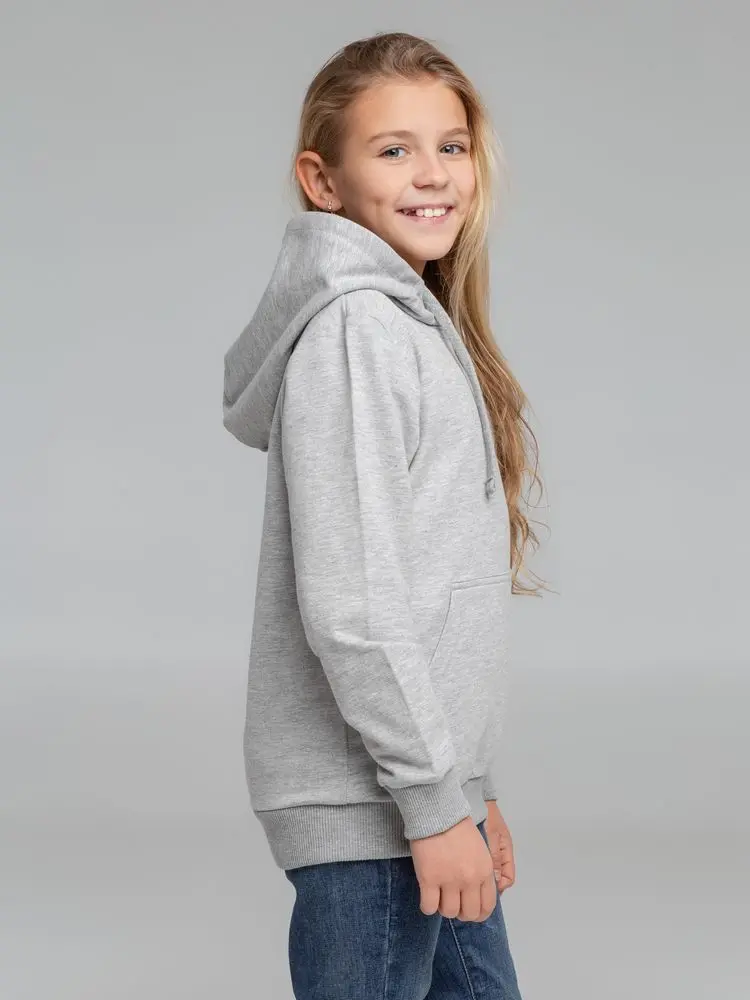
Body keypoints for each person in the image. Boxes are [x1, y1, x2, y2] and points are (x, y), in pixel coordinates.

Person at [222, 30, 547, 1000]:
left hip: (420, 795)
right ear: (322, 181)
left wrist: (470, 791)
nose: (433, 173)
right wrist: (435, 803)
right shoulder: (358, 331)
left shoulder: (412, 323)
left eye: (451, 146)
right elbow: (355, 605)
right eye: (394, 149)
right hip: (374, 808)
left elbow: (431, 593)